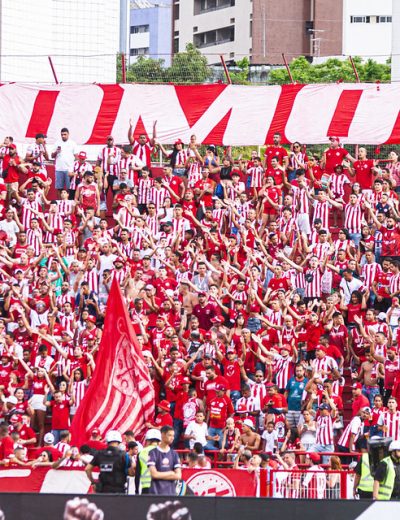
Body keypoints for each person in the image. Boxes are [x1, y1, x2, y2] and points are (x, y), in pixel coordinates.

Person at [147, 425, 182, 495]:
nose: (172, 438)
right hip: (156, 493)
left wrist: (159, 474)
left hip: (170, 493)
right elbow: (154, 474)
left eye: (173, 436)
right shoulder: (153, 453)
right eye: (170, 435)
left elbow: (178, 475)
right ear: (162, 435)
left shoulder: (174, 454)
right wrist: (171, 473)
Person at [137, 428, 161, 494]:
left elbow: (138, 473)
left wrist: (136, 490)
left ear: (147, 441)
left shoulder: (141, 452)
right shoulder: (163, 452)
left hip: (145, 487)